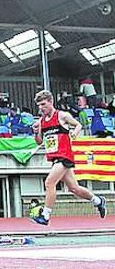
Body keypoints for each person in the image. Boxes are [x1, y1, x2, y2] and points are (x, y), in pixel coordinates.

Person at [30, 90, 107, 225]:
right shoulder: (41, 121)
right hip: (55, 158)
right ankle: (98, 201)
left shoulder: (62, 115)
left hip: (64, 156)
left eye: (43, 104)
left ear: (51, 101)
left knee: (49, 183)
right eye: (39, 106)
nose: (41, 108)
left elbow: (78, 124)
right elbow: (39, 142)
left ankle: (46, 216)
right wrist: (36, 133)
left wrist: (75, 133)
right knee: (74, 188)